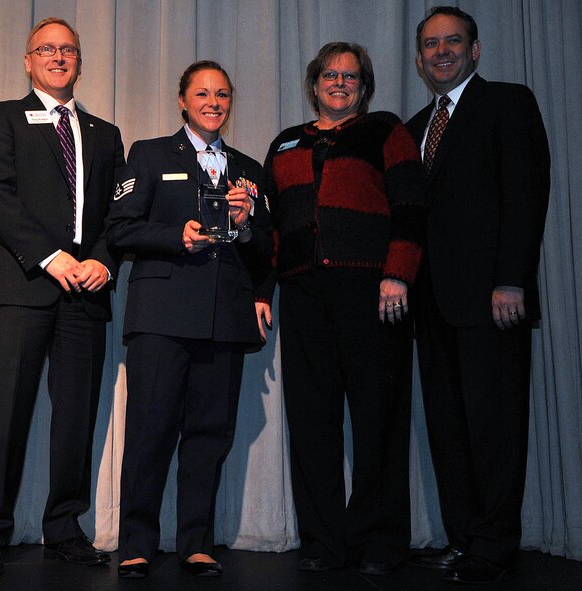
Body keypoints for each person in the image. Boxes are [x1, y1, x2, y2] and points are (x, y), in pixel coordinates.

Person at [255, 42, 424, 576]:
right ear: (314, 83)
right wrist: (263, 289)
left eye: (350, 76)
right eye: (330, 74)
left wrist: (397, 273)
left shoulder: (386, 131)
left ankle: (381, 544)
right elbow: (268, 226)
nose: (339, 83)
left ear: (364, 86)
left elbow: (412, 208)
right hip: (304, 294)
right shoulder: (284, 143)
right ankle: (324, 544)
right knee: (312, 422)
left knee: (379, 420)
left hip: (372, 293)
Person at [0, 17, 125, 575]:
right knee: (4, 413)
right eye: (47, 49)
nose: (58, 57)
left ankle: (64, 528)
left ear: (79, 62)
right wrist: (52, 257)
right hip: (22, 284)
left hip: (85, 292)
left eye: (68, 50)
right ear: (28, 61)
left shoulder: (106, 134)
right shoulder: (1, 116)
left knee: (77, 416)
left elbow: (119, 211)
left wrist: (104, 259)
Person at [104, 60, 272, 579]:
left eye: (222, 94)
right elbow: (121, 229)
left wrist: (245, 227)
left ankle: (196, 542)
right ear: (183, 100)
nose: (213, 102)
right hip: (162, 316)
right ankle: (137, 542)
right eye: (202, 93)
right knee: (151, 431)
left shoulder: (249, 170)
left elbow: (266, 249)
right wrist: (178, 236)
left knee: (209, 435)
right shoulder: (150, 154)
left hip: (224, 319)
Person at [405, 6, 551, 585]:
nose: (442, 51)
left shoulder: (509, 104)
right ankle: (465, 540)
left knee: (494, 425)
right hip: (431, 305)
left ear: (475, 49)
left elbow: (526, 194)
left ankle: (494, 545)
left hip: (493, 300)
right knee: (448, 426)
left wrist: (511, 278)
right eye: (432, 45)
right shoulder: (416, 126)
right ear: (419, 59)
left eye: (453, 41)